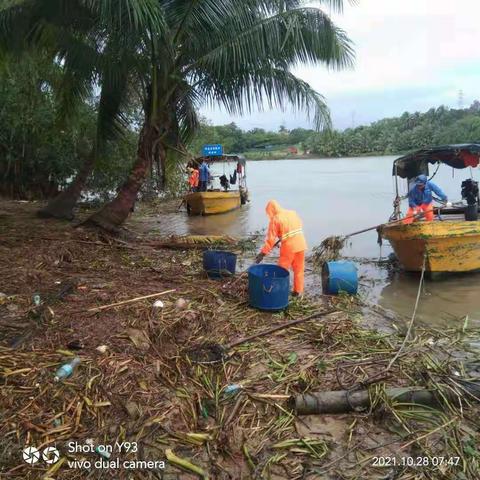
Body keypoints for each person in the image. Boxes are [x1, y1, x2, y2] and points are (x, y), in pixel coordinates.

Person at [255, 200, 307, 296]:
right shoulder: (292, 213)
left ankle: (279, 292)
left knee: (282, 269)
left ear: (271, 211)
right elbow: (297, 226)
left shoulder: (275, 219)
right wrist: (282, 237)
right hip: (301, 244)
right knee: (299, 269)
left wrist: (262, 253)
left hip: (289, 248)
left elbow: (270, 240)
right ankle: (297, 292)